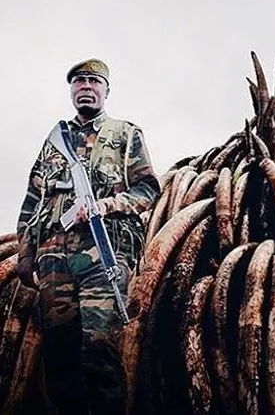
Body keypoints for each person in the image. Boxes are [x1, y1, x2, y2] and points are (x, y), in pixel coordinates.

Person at [16, 58, 161, 414]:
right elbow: (32, 202)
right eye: (79, 81)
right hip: (53, 260)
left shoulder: (125, 135)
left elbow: (148, 190)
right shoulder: (52, 144)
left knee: (100, 348)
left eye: (94, 81)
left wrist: (106, 205)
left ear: (106, 91)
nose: (86, 87)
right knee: (59, 353)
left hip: (103, 253)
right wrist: (25, 255)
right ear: (71, 90)